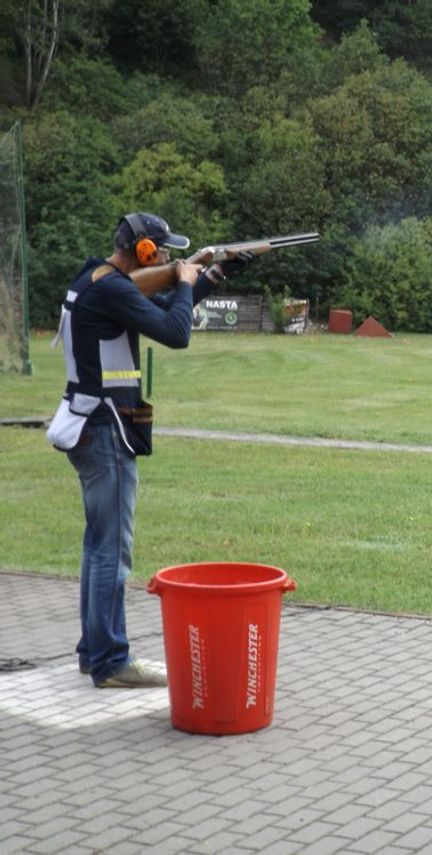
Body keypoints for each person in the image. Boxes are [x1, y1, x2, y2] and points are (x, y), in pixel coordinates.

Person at [47, 213, 254, 688]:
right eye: (161, 251)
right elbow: (177, 332)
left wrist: (213, 274)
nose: (166, 257)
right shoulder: (113, 289)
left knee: (97, 547)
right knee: (111, 552)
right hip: (105, 429)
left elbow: (161, 311)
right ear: (143, 252)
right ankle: (111, 661)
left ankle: (93, 652)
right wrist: (185, 278)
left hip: (90, 423)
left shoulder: (96, 279)